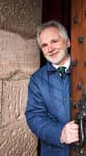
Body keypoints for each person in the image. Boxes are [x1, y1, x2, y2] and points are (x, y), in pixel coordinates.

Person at [25, 20, 79, 156]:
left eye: (54, 41)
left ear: (67, 42)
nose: (50, 49)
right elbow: (34, 116)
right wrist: (60, 133)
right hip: (55, 151)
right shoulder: (37, 79)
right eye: (44, 45)